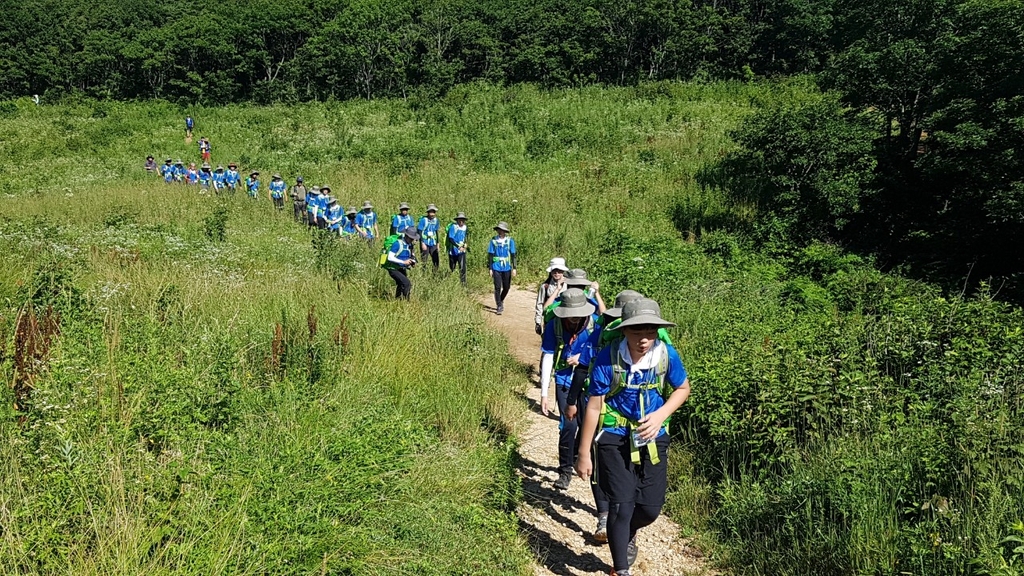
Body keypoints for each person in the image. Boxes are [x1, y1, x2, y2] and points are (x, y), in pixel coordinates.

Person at [575, 299, 691, 576]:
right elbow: (594, 405)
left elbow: (682, 388)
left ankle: (624, 532)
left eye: (650, 331)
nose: (644, 339)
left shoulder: (666, 354)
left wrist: (660, 415)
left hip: (653, 435)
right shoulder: (608, 357)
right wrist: (583, 452)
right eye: (638, 331)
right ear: (625, 331)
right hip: (614, 437)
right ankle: (620, 568)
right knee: (622, 504)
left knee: (650, 509)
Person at [564, 289, 645, 543]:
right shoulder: (602, 333)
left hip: (636, 415)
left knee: (633, 467)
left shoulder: (649, 339)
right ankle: (604, 515)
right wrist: (571, 401)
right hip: (599, 408)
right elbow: (584, 367)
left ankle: (625, 518)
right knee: (597, 463)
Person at [539, 288, 598, 491]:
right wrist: (544, 392)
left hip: (590, 384)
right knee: (568, 425)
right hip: (564, 380)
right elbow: (548, 355)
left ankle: (577, 456)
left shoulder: (594, 325)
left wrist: (582, 358)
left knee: (585, 425)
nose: (573, 319)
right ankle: (564, 471)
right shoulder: (554, 325)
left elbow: (602, 353)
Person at [487, 222, 517, 315]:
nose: (501, 232)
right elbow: (490, 255)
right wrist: (490, 268)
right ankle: (499, 305)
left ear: (505, 231)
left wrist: (514, 268)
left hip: (507, 267)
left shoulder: (510, 241)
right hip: (496, 267)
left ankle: (501, 299)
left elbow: (513, 255)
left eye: (502, 230)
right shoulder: (493, 241)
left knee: (507, 287)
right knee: (497, 287)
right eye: (499, 230)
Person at [383, 226, 420, 300]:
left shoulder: (410, 245)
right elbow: (390, 257)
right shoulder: (397, 243)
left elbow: (411, 256)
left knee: (401, 284)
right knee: (407, 283)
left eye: (413, 238)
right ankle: (406, 302)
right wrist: (403, 262)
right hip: (393, 268)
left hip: (401, 268)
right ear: (406, 236)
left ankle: (397, 300)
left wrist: (412, 262)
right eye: (411, 238)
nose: (412, 240)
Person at [536, 257, 569, 335]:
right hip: (549, 320)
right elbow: (540, 304)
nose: (557, 274)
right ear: (551, 272)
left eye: (559, 271)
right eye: (554, 271)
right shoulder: (545, 286)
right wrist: (538, 322)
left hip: (566, 320)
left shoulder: (569, 285)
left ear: (563, 271)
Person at [417, 204, 442, 271]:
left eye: (433, 212)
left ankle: (435, 275)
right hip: (425, 242)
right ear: (428, 212)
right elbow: (419, 231)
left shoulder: (436, 220)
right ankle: (423, 274)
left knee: (436, 260)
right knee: (424, 260)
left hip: (433, 242)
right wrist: (422, 243)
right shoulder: (423, 220)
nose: (432, 214)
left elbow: (436, 232)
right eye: (431, 212)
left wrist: (438, 244)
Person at [446, 212, 469, 285]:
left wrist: (465, 244)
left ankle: (463, 284)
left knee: (462, 267)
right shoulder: (453, 227)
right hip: (453, 251)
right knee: (452, 267)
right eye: (460, 220)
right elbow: (451, 239)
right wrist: (458, 246)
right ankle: (451, 282)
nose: (461, 222)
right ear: (457, 220)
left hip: (462, 251)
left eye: (463, 220)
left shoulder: (465, 227)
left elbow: (466, 237)